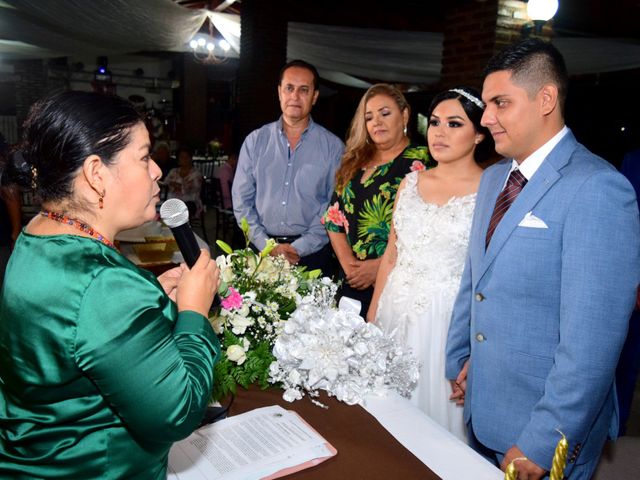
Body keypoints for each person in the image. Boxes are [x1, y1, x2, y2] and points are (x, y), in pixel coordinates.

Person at [0, 91, 221, 479]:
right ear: (96, 174)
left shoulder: (38, 234)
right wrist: (193, 313)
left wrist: (152, 298)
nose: (156, 171)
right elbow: (178, 412)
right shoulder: (103, 284)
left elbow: (79, 326)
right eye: (143, 156)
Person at [445, 38, 640, 479]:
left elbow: (592, 342)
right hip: (484, 406)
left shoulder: (597, 189)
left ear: (546, 99)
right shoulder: (494, 178)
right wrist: (460, 359)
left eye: (500, 103)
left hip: (540, 427)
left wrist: (543, 439)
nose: (486, 117)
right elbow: (475, 280)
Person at [368, 87, 490, 440]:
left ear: (479, 133)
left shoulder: (490, 191)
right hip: (394, 309)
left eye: (454, 124)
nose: (439, 132)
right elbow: (392, 254)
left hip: (445, 319)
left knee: (435, 424)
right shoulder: (410, 182)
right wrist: (373, 314)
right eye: (435, 122)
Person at [321, 83, 433, 317]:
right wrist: (351, 268)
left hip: (397, 284)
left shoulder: (424, 160)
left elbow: (428, 230)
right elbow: (333, 220)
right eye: (369, 117)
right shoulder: (353, 161)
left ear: (404, 115)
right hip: (351, 282)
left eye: (385, 113)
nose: (376, 123)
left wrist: (379, 268)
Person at [232, 59, 344, 275]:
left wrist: (298, 248)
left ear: (315, 96)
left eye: (304, 90)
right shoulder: (256, 141)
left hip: (312, 257)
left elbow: (333, 207)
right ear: (279, 92)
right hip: (260, 253)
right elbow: (242, 201)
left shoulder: (333, 148)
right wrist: (266, 245)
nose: (295, 96)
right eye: (289, 88)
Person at [165, 145, 204, 217]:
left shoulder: (196, 174)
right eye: (182, 157)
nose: (184, 159)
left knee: (181, 208)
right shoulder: (173, 171)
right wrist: (174, 186)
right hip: (172, 200)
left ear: (191, 158)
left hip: (191, 201)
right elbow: (166, 184)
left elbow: (194, 188)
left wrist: (179, 186)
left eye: (187, 157)